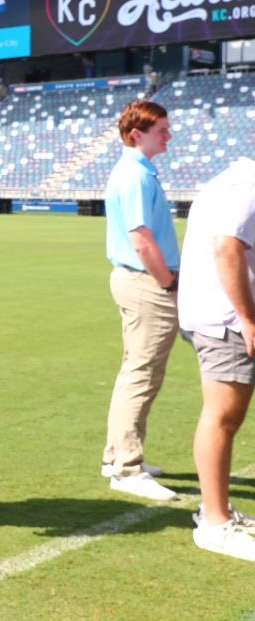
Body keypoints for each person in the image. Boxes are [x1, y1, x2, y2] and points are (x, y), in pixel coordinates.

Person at [101, 99, 180, 500]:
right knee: (142, 373)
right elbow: (141, 238)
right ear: (137, 134)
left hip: (139, 280)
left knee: (135, 370)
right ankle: (126, 467)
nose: (168, 136)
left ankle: (118, 455)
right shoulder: (135, 174)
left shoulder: (136, 171)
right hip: (147, 282)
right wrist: (168, 283)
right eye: (161, 130)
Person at [178, 157, 255, 560]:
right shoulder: (247, 184)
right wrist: (247, 318)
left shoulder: (232, 180)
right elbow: (227, 248)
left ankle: (218, 514)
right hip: (227, 322)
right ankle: (215, 522)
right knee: (223, 417)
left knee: (225, 417)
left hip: (219, 317)